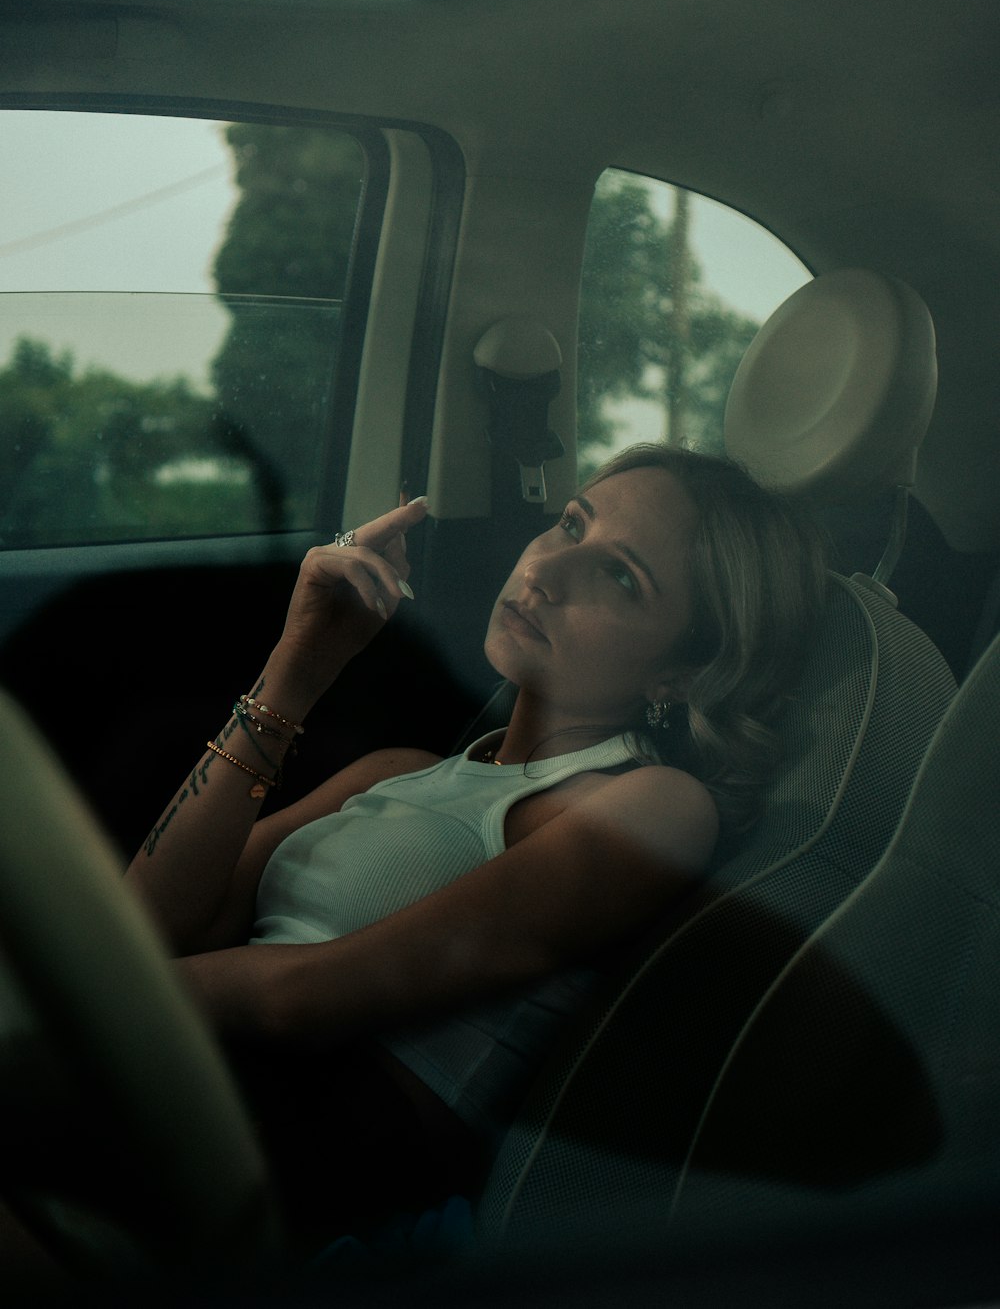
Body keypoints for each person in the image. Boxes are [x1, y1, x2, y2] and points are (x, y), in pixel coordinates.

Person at [126, 443, 827, 1250]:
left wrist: (98, 999)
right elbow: (149, 925)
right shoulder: (403, 770)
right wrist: (299, 666)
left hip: (308, 1147)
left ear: (680, 672)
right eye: (571, 524)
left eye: (621, 576)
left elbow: (302, 1002)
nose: (548, 574)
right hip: (205, 1074)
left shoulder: (655, 805)